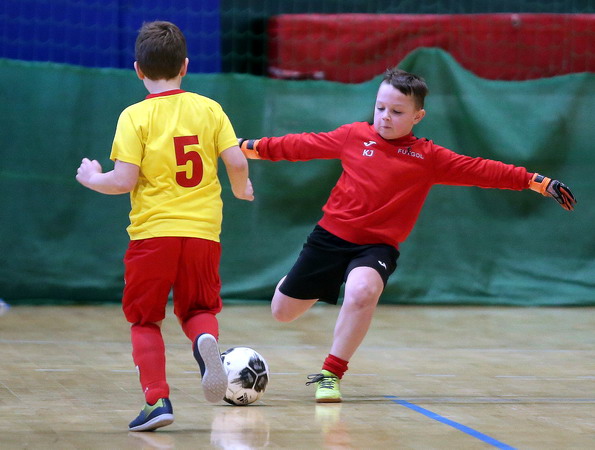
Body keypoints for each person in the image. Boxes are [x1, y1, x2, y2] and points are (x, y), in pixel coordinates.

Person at [239, 67, 576, 403]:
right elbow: (299, 145)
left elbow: (480, 169)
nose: (385, 116)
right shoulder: (353, 136)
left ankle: (330, 374)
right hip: (329, 238)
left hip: (376, 247)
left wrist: (536, 181)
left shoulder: (428, 157)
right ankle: (296, 281)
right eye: (380, 107)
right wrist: (243, 147)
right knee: (283, 312)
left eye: (397, 111)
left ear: (418, 116)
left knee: (362, 291)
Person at [76, 21, 254, 431]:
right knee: (199, 309)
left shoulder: (134, 116)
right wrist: (241, 190)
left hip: (153, 234)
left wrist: (92, 178)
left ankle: (157, 400)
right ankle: (204, 340)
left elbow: (123, 181)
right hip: (203, 233)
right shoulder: (210, 109)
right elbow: (236, 160)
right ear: (185, 66)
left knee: (144, 319)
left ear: (138, 69)